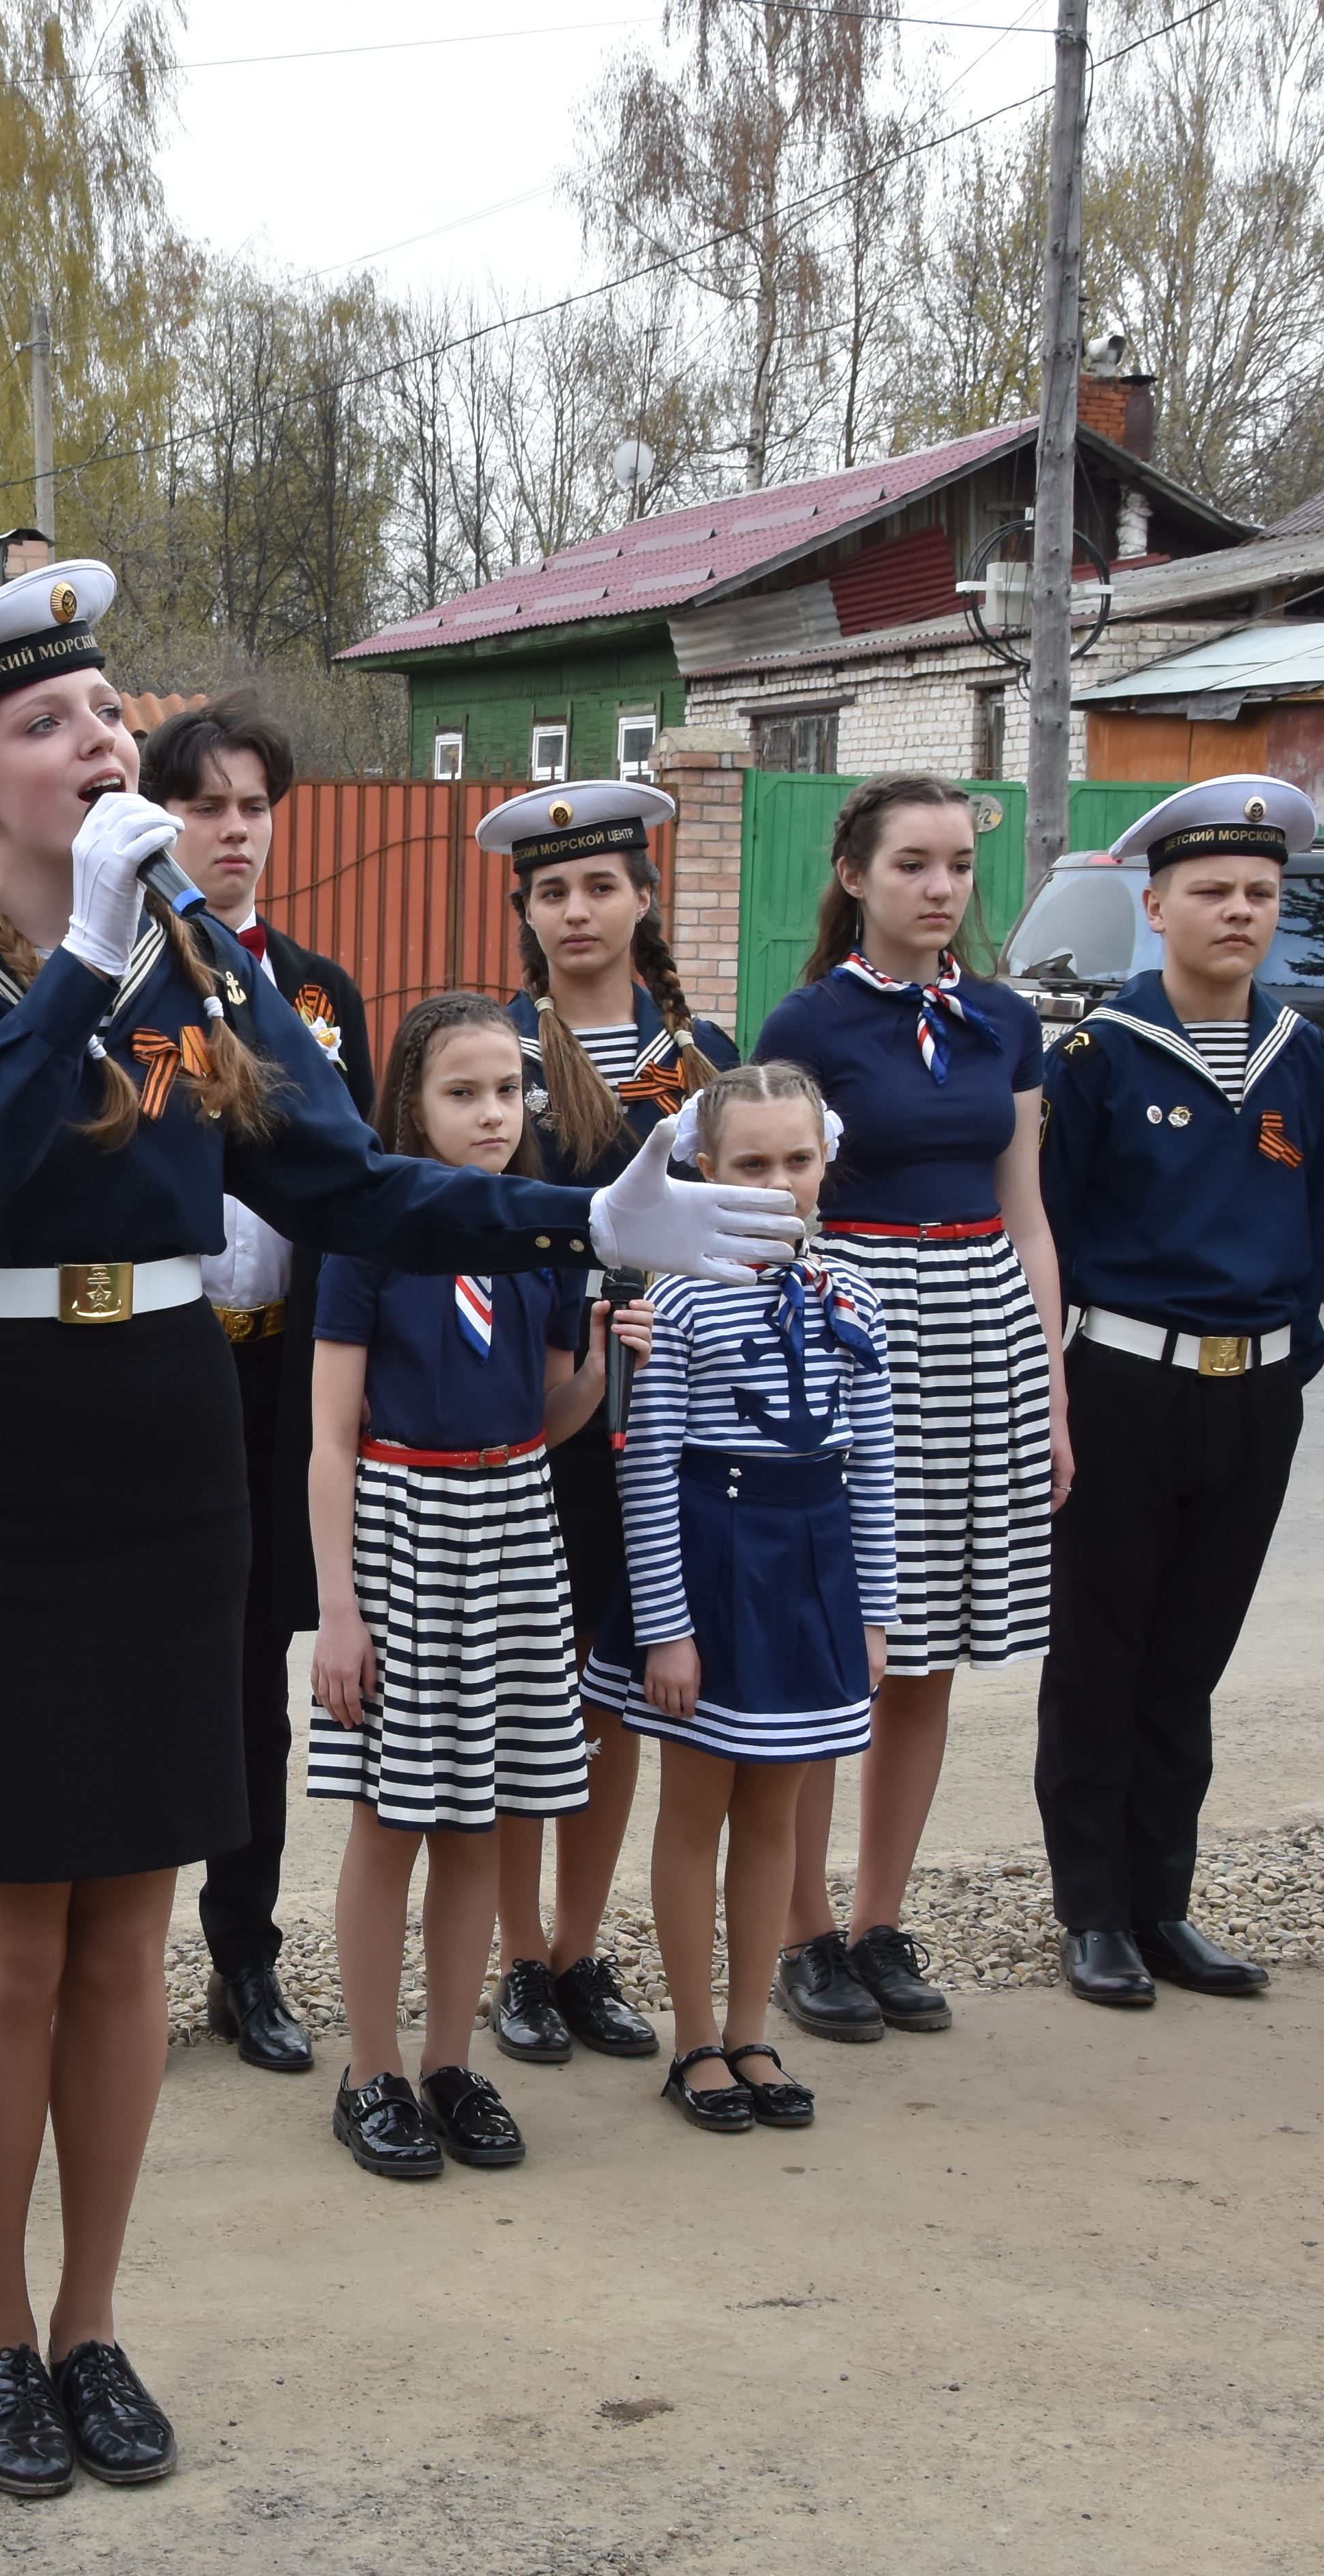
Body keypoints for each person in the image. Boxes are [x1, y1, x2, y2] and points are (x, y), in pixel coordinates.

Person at [0, 558, 799, 2496]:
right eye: (48, 729)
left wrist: (580, 1225)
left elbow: (352, 1184)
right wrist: (87, 966)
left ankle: (95, 2321)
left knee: (126, 1935)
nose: (100, 748)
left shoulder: (208, 962)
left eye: (107, 716)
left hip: (170, 1436)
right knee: (8, 1939)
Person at [747, 776, 1055, 2043]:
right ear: (855, 876)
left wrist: (1055, 1382)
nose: (940, 890)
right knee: (845, 1641)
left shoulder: (1005, 1021)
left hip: (983, 1322)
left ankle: (880, 1920)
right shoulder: (807, 1023)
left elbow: (1029, 1210)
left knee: (928, 1649)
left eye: (957, 868)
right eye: (913, 865)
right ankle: (801, 1929)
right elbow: (771, 1214)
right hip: (858, 1316)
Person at [1033, 777, 1324, 2010]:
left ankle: (1165, 1901)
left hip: (1253, 1394)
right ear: (1153, 905)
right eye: (1210, 892)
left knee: (1190, 1660)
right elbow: (1050, 1232)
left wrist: (1294, 1361)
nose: (1238, 913)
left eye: (1260, 895)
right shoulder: (1098, 1060)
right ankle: (1093, 1911)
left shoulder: (1308, 1058)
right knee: (1103, 1654)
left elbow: (1320, 1227)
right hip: (1124, 1383)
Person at [305, 993, 608, 2180]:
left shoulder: (544, 1234)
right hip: (403, 1522)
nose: (492, 1117)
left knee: (485, 1812)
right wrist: (340, 1608)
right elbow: (332, 1436)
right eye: (462, 1094)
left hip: (515, 1517)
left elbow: (552, 1408)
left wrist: (607, 1353)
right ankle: (370, 2069)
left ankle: (447, 2062)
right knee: (393, 1816)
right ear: (410, 1106)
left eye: (508, 1093)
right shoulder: (369, 1236)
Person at [141, 696, 368, 2076]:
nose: (232, 829)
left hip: (282, 1372)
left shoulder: (321, 993)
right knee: (138, 1676)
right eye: (203, 805)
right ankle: (114, 1965)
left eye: (252, 806)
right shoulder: (125, 972)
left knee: (249, 1689)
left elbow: (355, 1183)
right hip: (158, 1367)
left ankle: (246, 1958)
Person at [598, 1065, 890, 2135]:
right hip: (715, 1563)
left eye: (798, 1162)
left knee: (777, 1812)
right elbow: (649, 1465)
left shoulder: (854, 1295)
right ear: (706, 1174)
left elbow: (877, 1464)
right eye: (752, 1166)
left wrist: (872, 1611)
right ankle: (692, 2040)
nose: (779, 1185)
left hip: (812, 1567)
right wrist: (668, 1628)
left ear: (826, 1164)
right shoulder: (676, 1298)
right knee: (698, 1808)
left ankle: (753, 2025)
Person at [485, 779, 723, 2069]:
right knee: (536, 1695)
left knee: (623, 1697)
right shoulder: (492, 1057)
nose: (577, 910)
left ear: (643, 898)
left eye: (599, 886)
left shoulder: (706, 1064)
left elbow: (752, 1241)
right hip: (534, 1420)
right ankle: (516, 1954)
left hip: (670, 1432)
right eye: (551, 890)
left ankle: (581, 1949)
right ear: (525, 909)